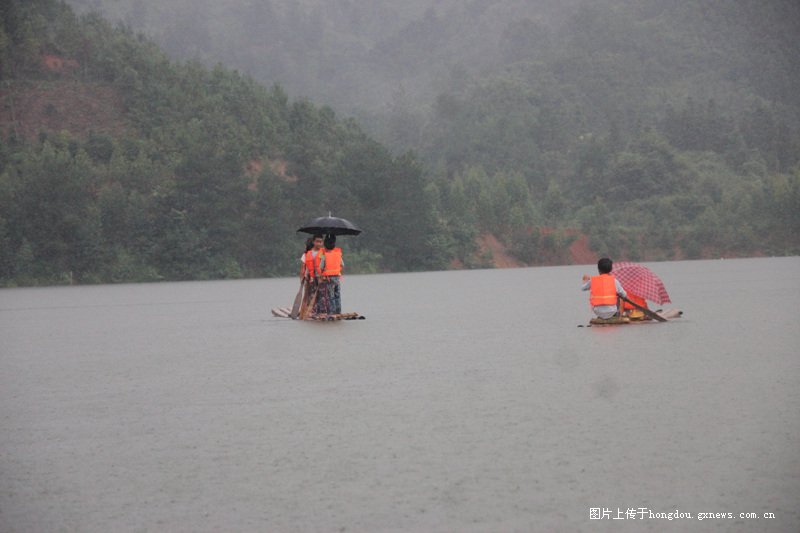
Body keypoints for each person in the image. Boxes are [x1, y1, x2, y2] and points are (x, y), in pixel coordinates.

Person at [314, 234, 344, 316]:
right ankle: (338, 311)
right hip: (337, 277)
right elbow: (342, 264)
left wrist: (323, 272)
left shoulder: (324, 255)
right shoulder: (338, 253)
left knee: (331, 295)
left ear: (325, 245)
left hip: (329, 279)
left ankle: (332, 312)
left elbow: (320, 266)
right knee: (337, 294)